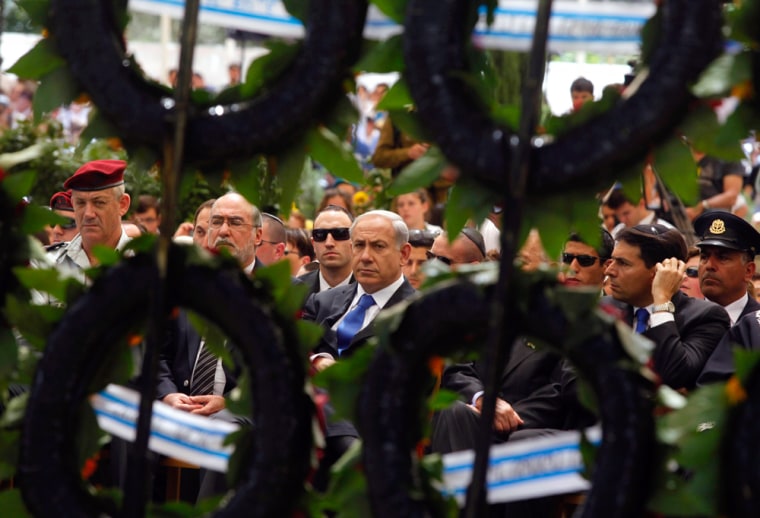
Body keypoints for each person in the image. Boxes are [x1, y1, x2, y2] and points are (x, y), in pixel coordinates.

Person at [303, 209, 415, 491]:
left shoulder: (419, 313)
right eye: (359, 246)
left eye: (378, 246)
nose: (365, 256)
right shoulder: (323, 302)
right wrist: (318, 360)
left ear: (404, 254)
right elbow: (295, 350)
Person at [604, 224, 729, 390]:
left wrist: (662, 302)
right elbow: (571, 380)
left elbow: (674, 374)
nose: (609, 271)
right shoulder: (603, 309)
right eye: (613, 261)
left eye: (623, 263)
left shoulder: (706, 317)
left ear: (659, 271)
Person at [46, 160, 132, 279]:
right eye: (80, 203)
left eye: (99, 203)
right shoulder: (47, 265)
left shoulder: (150, 267)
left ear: (122, 204)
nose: (88, 214)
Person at [693, 212, 760, 325]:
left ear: (748, 271)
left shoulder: (756, 324)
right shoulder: (681, 318)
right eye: (704, 257)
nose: (709, 266)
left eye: (722, 258)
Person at [296, 205, 355, 297]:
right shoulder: (296, 290)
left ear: (354, 240)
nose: (329, 243)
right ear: (313, 244)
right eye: (320, 235)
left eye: (339, 233)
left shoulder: (370, 287)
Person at [684, 139, 747, 221]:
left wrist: (703, 205)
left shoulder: (728, 156)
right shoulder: (678, 153)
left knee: (717, 217)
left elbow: (731, 196)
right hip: (677, 208)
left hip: (711, 210)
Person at [207, 192, 263, 274]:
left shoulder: (279, 285)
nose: (223, 231)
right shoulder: (187, 281)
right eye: (216, 222)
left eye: (235, 223)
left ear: (257, 236)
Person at [606, 188, 674, 237]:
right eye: (617, 215)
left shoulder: (667, 232)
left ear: (642, 203)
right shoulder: (617, 231)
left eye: (626, 213)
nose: (622, 220)